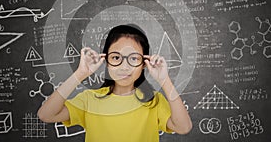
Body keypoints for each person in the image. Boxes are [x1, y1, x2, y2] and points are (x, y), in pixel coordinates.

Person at [38, 24, 192, 142]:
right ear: (106, 61)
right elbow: (46, 115)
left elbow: (183, 127)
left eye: (133, 59)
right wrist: (80, 74)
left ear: (144, 63)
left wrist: (164, 80)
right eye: (116, 58)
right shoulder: (90, 99)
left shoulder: (153, 101)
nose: (124, 67)